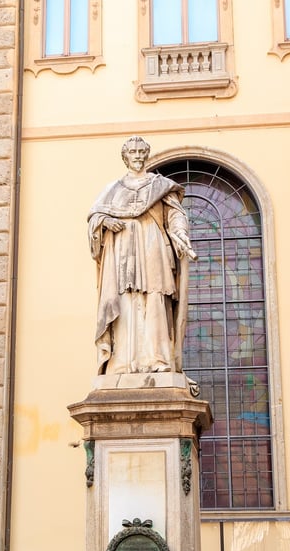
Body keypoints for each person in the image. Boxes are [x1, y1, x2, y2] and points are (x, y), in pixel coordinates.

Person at [87, 136, 196, 375]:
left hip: (152, 246)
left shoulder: (160, 186)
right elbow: (94, 217)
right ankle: (122, 362)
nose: (137, 155)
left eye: (140, 151)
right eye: (132, 152)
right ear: (125, 157)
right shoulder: (112, 189)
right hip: (122, 251)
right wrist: (106, 221)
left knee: (155, 298)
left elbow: (175, 215)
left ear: (146, 155)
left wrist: (179, 232)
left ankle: (158, 359)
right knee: (124, 301)